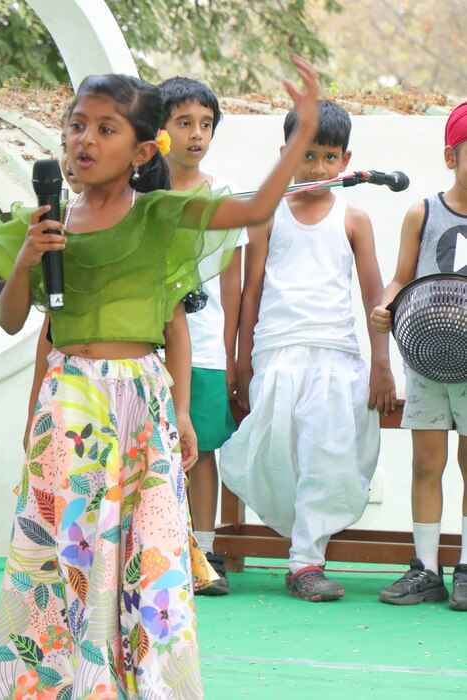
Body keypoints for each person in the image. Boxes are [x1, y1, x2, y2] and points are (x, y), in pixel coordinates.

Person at [0, 57, 320, 699]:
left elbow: (255, 209)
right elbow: (17, 320)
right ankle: (54, 682)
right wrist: (25, 257)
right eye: (77, 125)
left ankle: (144, 683)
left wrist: (301, 135)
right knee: (65, 542)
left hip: (138, 397)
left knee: (143, 545)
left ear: (140, 151)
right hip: (69, 401)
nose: (85, 140)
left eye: (106, 130)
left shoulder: (160, 216)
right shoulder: (46, 223)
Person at [223, 100, 396, 603]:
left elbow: (374, 298)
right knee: (277, 452)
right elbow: (252, 292)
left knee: (325, 453)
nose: (318, 168)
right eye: (308, 156)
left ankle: (305, 561)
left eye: (329, 157)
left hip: (334, 357)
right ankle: (297, 547)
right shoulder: (266, 216)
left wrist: (381, 365)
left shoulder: (354, 218)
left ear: (346, 160)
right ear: (286, 155)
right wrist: (242, 362)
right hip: (276, 355)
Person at [370, 100, 467, 611]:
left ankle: (466, 568)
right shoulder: (422, 212)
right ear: (451, 157)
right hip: (427, 356)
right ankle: (426, 568)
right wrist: (386, 305)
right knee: (427, 463)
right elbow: (400, 279)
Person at [159, 76, 248, 596]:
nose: (196, 134)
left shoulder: (222, 199)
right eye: (184, 123)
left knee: (203, 448)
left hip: (208, 344)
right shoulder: (142, 195)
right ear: (160, 130)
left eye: (206, 124)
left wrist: (233, 354)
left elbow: (231, 285)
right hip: (149, 344)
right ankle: (159, 551)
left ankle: (205, 551)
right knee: (153, 450)